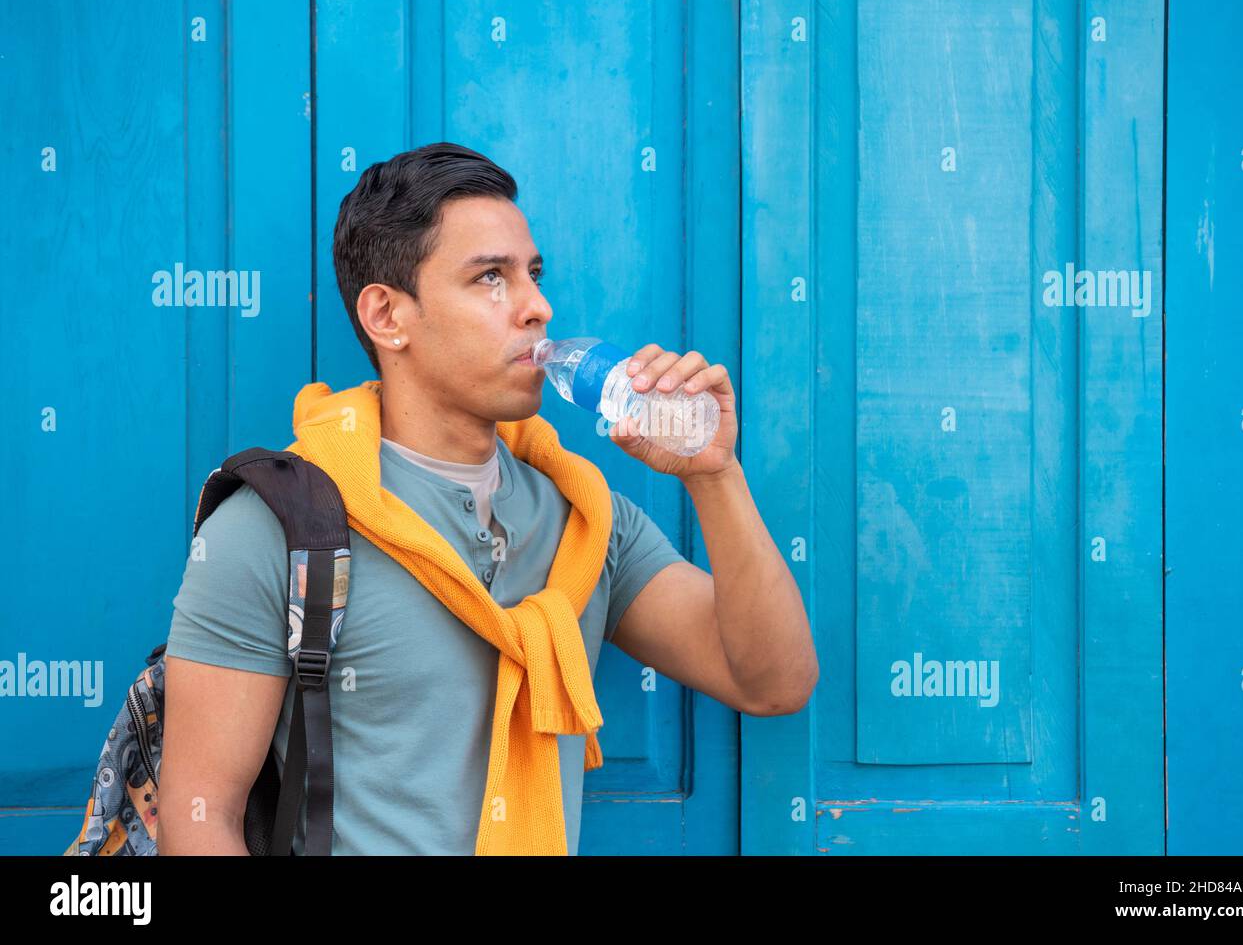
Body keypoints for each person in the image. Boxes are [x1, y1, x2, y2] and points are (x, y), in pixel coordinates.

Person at [156, 142, 817, 855]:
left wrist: (714, 475)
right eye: (491, 279)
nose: (537, 307)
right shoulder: (277, 530)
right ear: (387, 316)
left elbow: (773, 681)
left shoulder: (585, 523)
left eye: (532, 274)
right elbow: (200, 817)